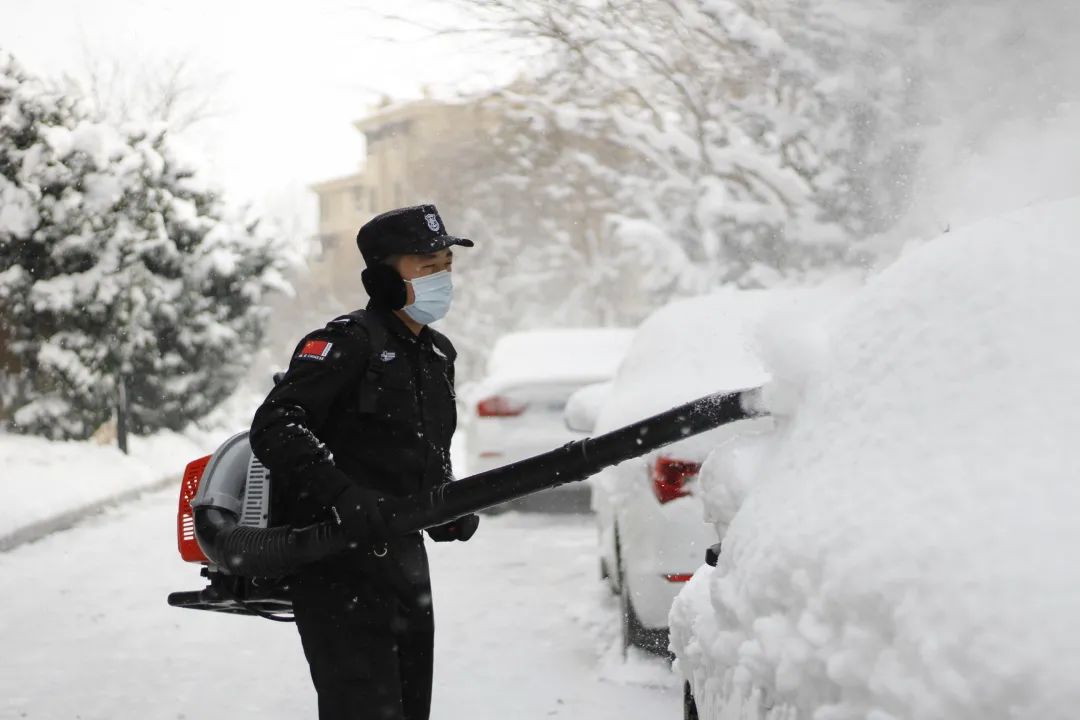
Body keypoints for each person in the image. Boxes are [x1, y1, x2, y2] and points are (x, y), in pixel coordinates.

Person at [249, 204, 480, 720]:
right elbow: (276, 426)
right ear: (382, 278)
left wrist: (445, 508)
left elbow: (425, 450)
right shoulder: (345, 342)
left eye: (447, 264)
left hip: (404, 565)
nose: (443, 277)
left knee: (410, 709)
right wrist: (342, 495)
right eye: (427, 266)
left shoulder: (438, 354)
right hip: (336, 566)